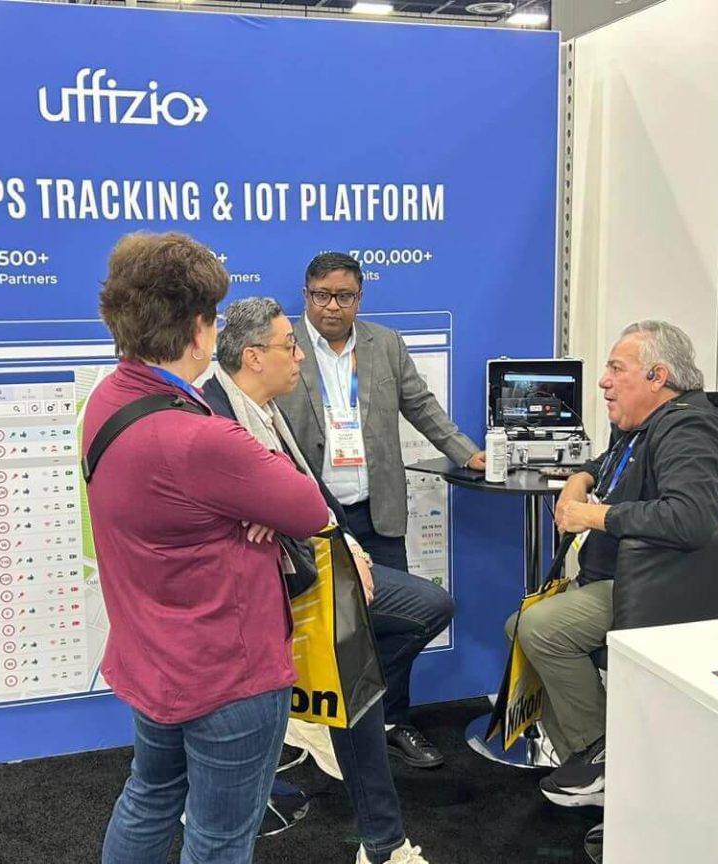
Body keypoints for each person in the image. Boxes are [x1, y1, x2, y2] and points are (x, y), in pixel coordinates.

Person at [85, 233, 330, 864]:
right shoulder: (201, 440)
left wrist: (248, 505)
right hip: (228, 673)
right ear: (199, 330)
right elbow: (308, 508)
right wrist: (254, 506)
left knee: (149, 795)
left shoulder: (108, 399)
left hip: (153, 656)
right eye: (214, 317)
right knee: (219, 838)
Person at [204, 297, 437, 864]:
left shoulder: (267, 409)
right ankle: (383, 844)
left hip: (319, 563)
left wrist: (348, 545)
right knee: (353, 682)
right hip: (266, 591)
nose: (300, 357)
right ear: (253, 356)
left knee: (427, 609)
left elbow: (309, 491)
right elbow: (227, 507)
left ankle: (312, 712)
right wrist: (264, 508)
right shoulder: (210, 413)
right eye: (289, 346)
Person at [508, 320, 718, 809]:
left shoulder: (689, 429)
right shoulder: (641, 429)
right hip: (629, 578)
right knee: (520, 627)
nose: (604, 381)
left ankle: (603, 757)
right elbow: (607, 466)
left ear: (658, 377)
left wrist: (592, 515)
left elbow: (688, 518)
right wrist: (579, 479)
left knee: (540, 628)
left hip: (667, 587)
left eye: (617, 369)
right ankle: (589, 755)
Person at [276, 252, 478, 767]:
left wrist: (466, 453)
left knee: (400, 621)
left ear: (360, 298)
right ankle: (319, 728)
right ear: (306, 295)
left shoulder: (384, 344)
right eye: (322, 295)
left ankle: (391, 722)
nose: (333, 306)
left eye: (344, 296)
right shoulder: (282, 348)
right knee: (318, 628)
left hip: (377, 510)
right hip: (314, 520)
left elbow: (421, 406)